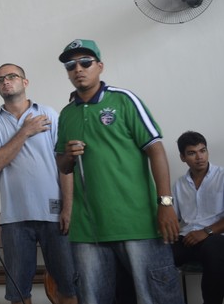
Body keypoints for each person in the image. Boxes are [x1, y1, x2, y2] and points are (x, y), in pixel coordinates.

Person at [55, 39, 183, 304]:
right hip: (88, 231)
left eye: (85, 62)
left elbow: (155, 150)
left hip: (138, 223)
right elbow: (63, 167)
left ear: (99, 66)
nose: (78, 69)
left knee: (156, 298)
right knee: (93, 299)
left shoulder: (124, 100)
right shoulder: (67, 114)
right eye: (71, 65)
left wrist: (166, 203)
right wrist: (67, 156)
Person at [0, 63, 78, 304]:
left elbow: (65, 164)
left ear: (25, 82)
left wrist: (68, 207)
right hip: (15, 219)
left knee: (69, 286)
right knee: (18, 292)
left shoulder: (48, 114)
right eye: (0, 79)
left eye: (12, 76)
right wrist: (25, 131)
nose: (6, 81)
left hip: (54, 214)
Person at [172, 131, 224, 304]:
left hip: (215, 238)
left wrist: (206, 231)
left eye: (202, 150)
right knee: (156, 255)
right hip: (186, 239)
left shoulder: (222, 177)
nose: (199, 157)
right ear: (182, 157)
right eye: (192, 153)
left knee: (214, 248)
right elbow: (172, 218)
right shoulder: (179, 184)